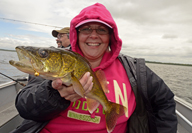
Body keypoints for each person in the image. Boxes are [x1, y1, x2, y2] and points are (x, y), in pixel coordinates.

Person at [11, 3, 177, 133]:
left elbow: (165, 101)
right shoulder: (56, 66)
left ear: (111, 37)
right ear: (77, 34)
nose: (93, 35)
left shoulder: (134, 69)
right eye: (86, 29)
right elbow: (25, 107)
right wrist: (53, 94)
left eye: (102, 30)